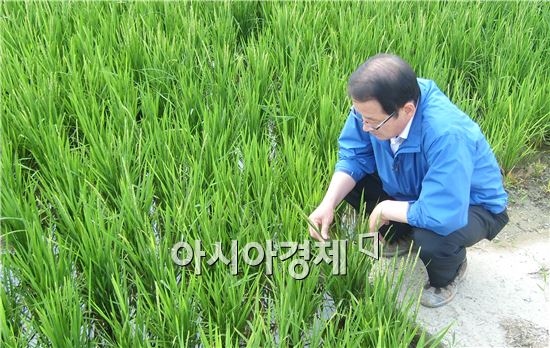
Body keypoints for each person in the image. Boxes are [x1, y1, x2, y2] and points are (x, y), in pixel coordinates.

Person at [307, 53, 509, 307]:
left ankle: (448, 274)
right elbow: (353, 156)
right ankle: (402, 236)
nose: (365, 127)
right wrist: (328, 203)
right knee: (350, 183)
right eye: (361, 118)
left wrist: (385, 207)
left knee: (433, 236)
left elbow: (444, 211)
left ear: (407, 110)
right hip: (413, 187)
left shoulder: (446, 134)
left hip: (471, 205)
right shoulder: (374, 109)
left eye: (372, 122)